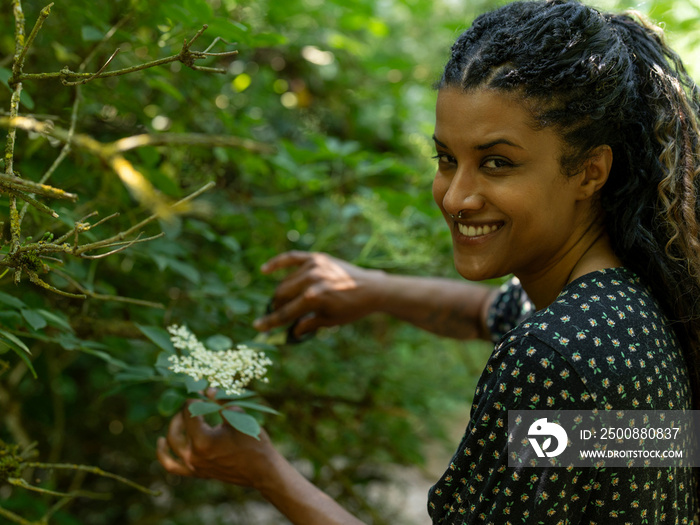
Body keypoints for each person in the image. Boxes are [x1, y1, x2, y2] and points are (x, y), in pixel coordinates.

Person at [156, 0, 700, 522]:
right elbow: (493, 311)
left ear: (589, 171)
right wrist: (371, 289)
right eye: (446, 158)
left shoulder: (552, 361)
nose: (456, 196)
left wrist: (265, 472)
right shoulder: (627, 303)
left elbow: (543, 351)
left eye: (497, 162)